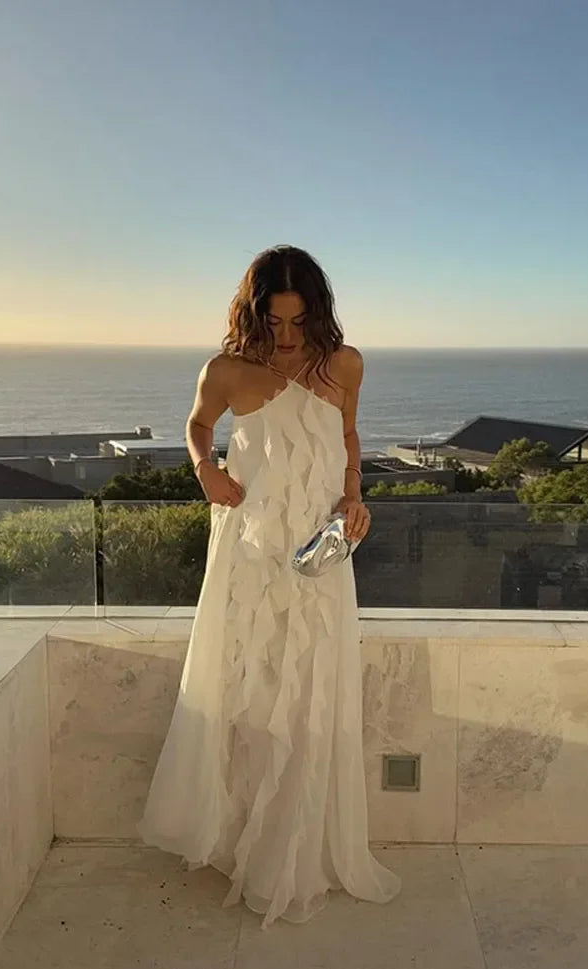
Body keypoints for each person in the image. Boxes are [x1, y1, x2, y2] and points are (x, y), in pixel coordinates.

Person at [137, 245, 401, 928]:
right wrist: (205, 469)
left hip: (319, 553)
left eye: (298, 320)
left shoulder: (344, 364)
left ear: (318, 311)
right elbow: (197, 427)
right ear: (253, 312)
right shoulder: (226, 369)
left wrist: (354, 501)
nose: (286, 337)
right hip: (249, 551)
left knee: (310, 690)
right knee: (249, 686)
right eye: (274, 322)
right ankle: (239, 838)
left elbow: (347, 435)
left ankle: (297, 844)